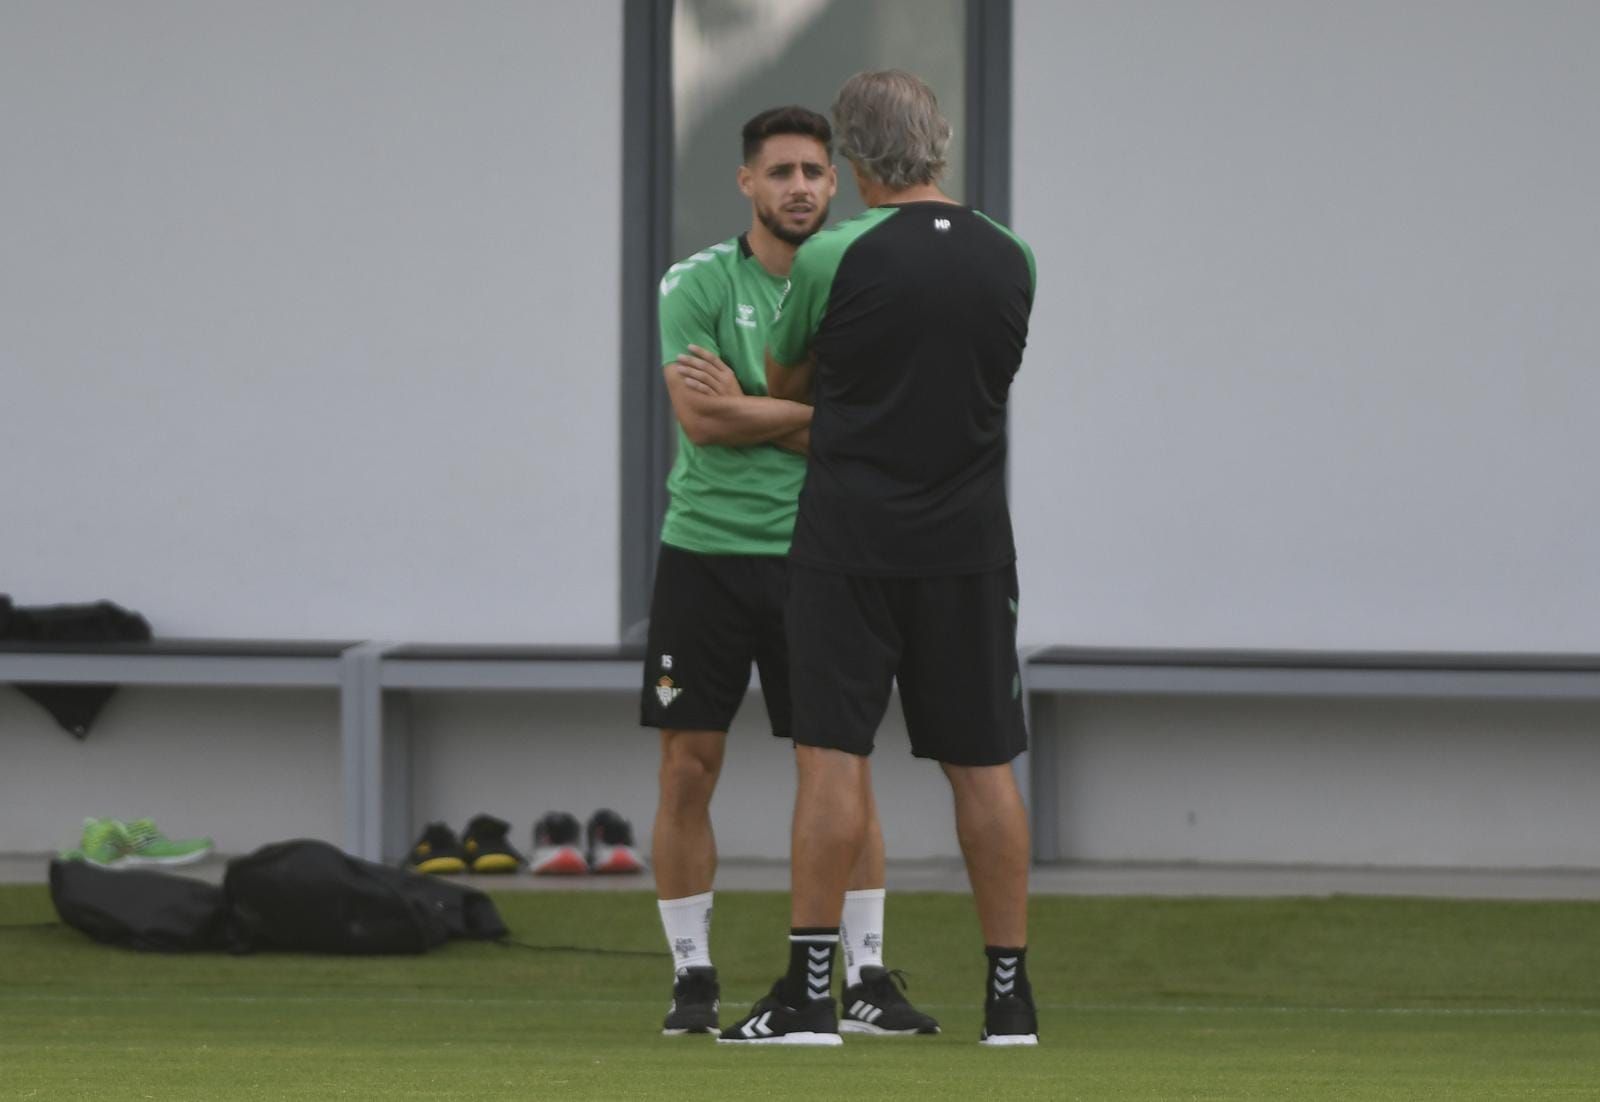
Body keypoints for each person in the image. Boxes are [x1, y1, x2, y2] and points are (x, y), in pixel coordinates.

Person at [719, 72, 1040, 1047]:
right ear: (937, 142)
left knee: (831, 760)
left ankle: (809, 996)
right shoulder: (1012, 255)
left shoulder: (829, 256)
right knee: (983, 768)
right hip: (970, 549)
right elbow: (981, 382)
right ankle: (1010, 1001)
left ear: (854, 159)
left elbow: (783, 383)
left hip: (849, 545)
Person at [645, 105, 939, 1039]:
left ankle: (866, 976)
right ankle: (693, 976)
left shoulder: (854, 278)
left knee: (838, 768)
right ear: (747, 183)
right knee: (689, 768)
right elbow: (701, 423)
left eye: (815, 170)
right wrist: (805, 420)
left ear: (837, 178)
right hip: (703, 553)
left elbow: (866, 431)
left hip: (822, 558)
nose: (801, 187)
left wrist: (752, 404)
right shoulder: (694, 283)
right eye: (782, 173)